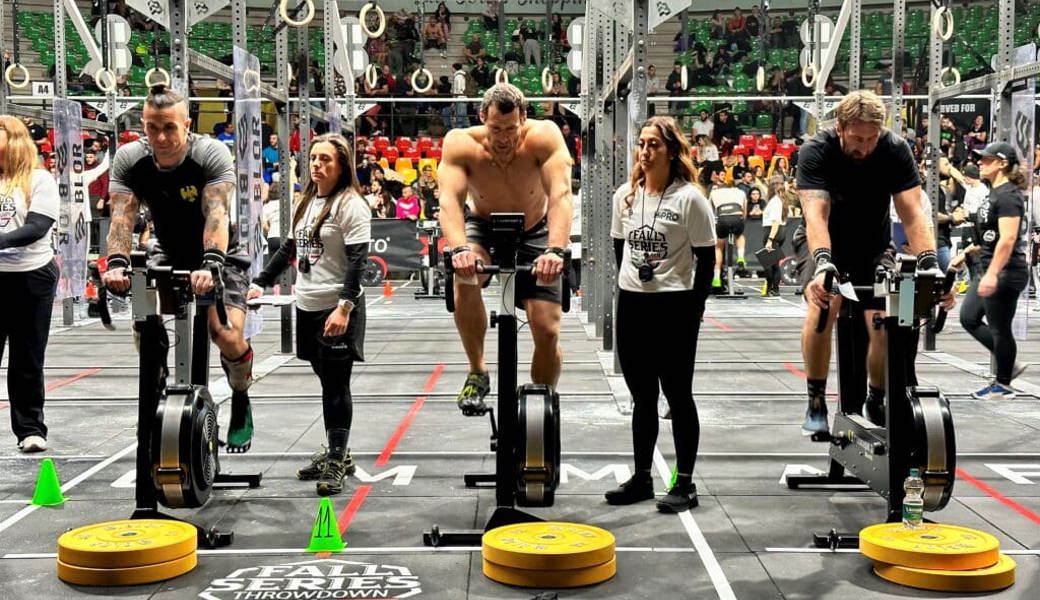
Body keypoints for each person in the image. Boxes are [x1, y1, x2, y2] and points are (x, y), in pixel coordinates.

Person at [101, 85, 257, 453]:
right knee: (145, 320)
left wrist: (211, 264)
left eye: (170, 128)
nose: (161, 137)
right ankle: (158, 387)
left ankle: (240, 396)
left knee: (224, 334)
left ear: (187, 124)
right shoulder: (129, 159)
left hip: (220, 252)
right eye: (152, 128)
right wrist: (118, 264)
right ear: (143, 125)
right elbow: (122, 218)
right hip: (167, 251)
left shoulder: (209, 154)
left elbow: (216, 214)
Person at [797, 90, 954, 435]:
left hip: (873, 245)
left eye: (871, 138)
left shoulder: (894, 149)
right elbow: (816, 216)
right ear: (839, 127)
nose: (865, 147)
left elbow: (912, 214)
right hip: (826, 243)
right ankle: (817, 400)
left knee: (885, 320)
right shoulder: (816, 151)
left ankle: (876, 396)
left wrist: (930, 264)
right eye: (857, 138)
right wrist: (824, 264)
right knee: (825, 305)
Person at [438, 83, 572, 415]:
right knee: (465, 276)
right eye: (495, 128)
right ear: (483, 118)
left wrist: (555, 249)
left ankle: (542, 400)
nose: (503, 138)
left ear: (523, 119)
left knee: (547, 328)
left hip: (535, 230)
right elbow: (448, 202)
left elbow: (560, 195)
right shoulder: (461, 143)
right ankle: (477, 371)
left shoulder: (544, 137)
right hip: (483, 227)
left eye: (511, 129)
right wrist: (458, 251)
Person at [248, 134, 370, 495]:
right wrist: (261, 282)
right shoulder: (306, 202)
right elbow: (289, 249)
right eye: (314, 159)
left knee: (336, 384)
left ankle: (336, 459)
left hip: (337, 309)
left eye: (326, 160)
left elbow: (358, 263)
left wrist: (344, 308)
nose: (317, 165)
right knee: (326, 381)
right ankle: (338, 449)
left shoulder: (351, 205)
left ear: (342, 165)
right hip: (307, 305)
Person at [605, 116, 716, 512]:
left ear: (670, 150)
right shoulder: (626, 196)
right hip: (634, 304)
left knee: (678, 394)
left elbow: (706, 259)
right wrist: (631, 284)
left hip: (675, 307)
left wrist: (694, 309)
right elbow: (621, 248)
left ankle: (684, 483)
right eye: (641, 143)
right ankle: (641, 478)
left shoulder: (690, 199)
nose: (645, 151)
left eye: (653, 144)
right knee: (642, 397)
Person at [0, 116, 60, 453]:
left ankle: (30, 430)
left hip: (31, 276)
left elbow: (36, 227)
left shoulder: (39, 180)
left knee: (26, 359)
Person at [955, 142, 1030, 400]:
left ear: (1002, 164)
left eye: (986, 160)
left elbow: (1007, 239)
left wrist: (993, 274)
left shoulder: (1009, 195)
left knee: (1000, 328)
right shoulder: (993, 193)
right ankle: (1007, 360)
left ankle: (1003, 383)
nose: (980, 163)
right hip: (987, 267)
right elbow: (989, 236)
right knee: (968, 317)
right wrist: (965, 254)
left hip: (1005, 272)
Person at [761, 177, 788, 297]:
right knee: (773, 262)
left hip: (773, 231)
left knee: (768, 263)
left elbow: (775, 222)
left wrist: (770, 239)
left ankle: (772, 288)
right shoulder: (778, 200)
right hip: (777, 231)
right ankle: (772, 288)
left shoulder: (775, 201)